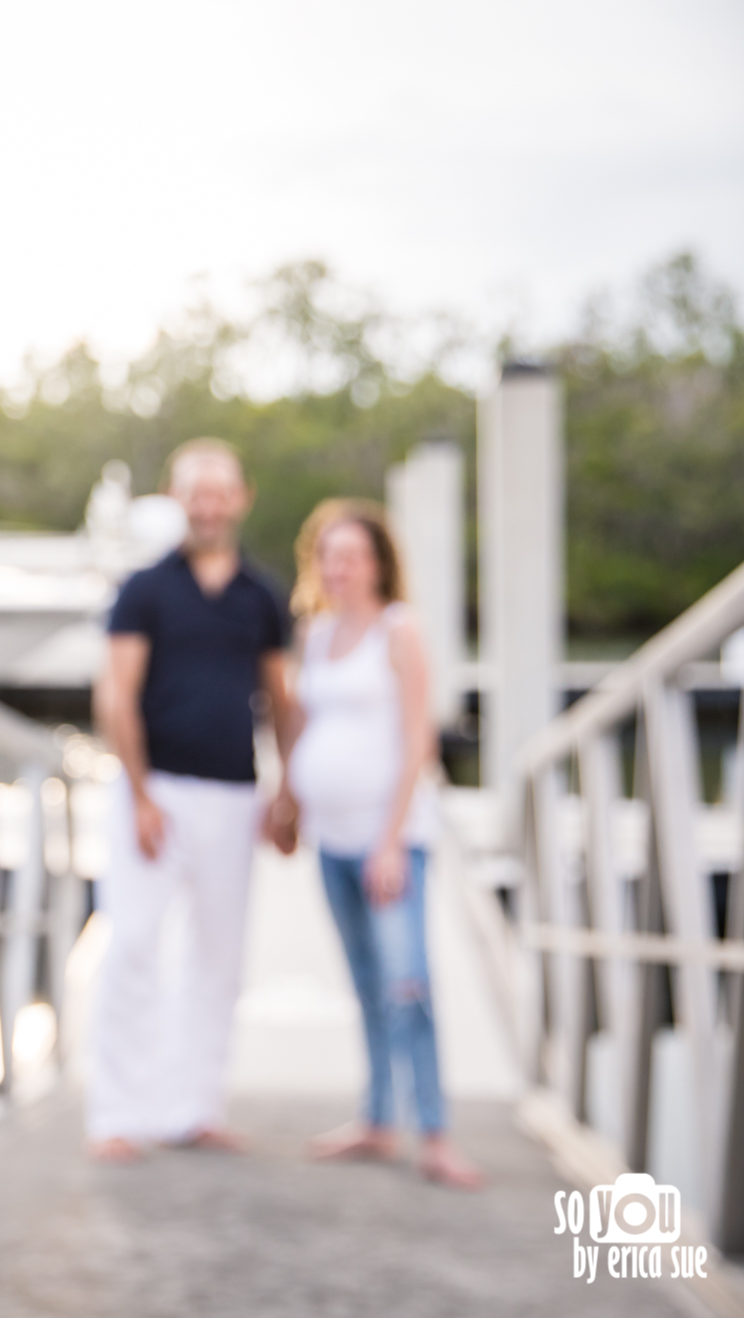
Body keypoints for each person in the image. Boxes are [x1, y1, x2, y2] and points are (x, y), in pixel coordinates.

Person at [86, 439, 295, 1162]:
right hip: (158, 790)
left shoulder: (262, 596)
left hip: (235, 793)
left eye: (220, 492)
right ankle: (117, 1111)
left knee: (218, 955)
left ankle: (194, 1106)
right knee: (134, 945)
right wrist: (141, 793)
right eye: (195, 492)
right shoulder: (144, 588)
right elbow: (116, 692)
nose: (208, 505)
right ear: (178, 500)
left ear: (241, 499)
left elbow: (281, 695)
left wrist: (287, 789)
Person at [283, 498, 482, 1190]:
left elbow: (417, 740)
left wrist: (391, 840)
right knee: (366, 984)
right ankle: (376, 1118)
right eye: (328, 556)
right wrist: (287, 794)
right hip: (330, 840)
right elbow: (305, 727)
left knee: (408, 983)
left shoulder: (400, 629)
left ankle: (436, 1133)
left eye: (353, 556)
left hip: (389, 838)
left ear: (378, 563)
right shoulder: (314, 631)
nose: (340, 568)